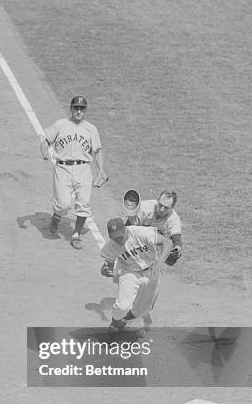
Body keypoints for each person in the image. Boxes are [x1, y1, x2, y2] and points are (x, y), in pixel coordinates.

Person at [40, 95, 107, 250]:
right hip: (62, 168)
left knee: (83, 203)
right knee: (63, 204)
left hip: (83, 169)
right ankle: (57, 215)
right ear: (71, 109)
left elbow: (97, 151)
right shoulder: (60, 125)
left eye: (81, 108)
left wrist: (101, 170)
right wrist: (44, 151)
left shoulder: (91, 129)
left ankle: (76, 235)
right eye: (76, 107)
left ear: (85, 110)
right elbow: (46, 141)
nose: (78, 110)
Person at [101, 218, 172, 332]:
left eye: (120, 236)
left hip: (151, 270)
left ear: (125, 229)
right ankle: (114, 324)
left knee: (144, 309)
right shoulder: (111, 245)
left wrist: (158, 264)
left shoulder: (141, 233)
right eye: (114, 237)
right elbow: (107, 267)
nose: (118, 240)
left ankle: (126, 319)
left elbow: (168, 243)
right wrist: (105, 271)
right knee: (121, 306)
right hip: (129, 271)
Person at [125, 189, 182, 258]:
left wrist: (176, 250)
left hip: (153, 248)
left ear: (172, 208)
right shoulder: (143, 208)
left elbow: (177, 239)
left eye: (166, 207)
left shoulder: (173, 218)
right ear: (157, 200)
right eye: (160, 205)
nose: (162, 209)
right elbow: (128, 228)